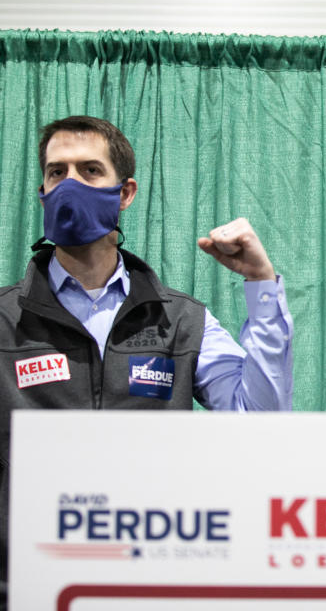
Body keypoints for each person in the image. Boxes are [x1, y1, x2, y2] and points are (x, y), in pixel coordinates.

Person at [0, 115, 294, 603]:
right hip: (27, 589)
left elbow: (259, 423)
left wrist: (261, 285)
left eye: (90, 170)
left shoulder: (181, 321)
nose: (70, 184)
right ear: (42, 191)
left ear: (125, 193)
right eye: (57, 172)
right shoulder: (3, 320)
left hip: (148, 584)